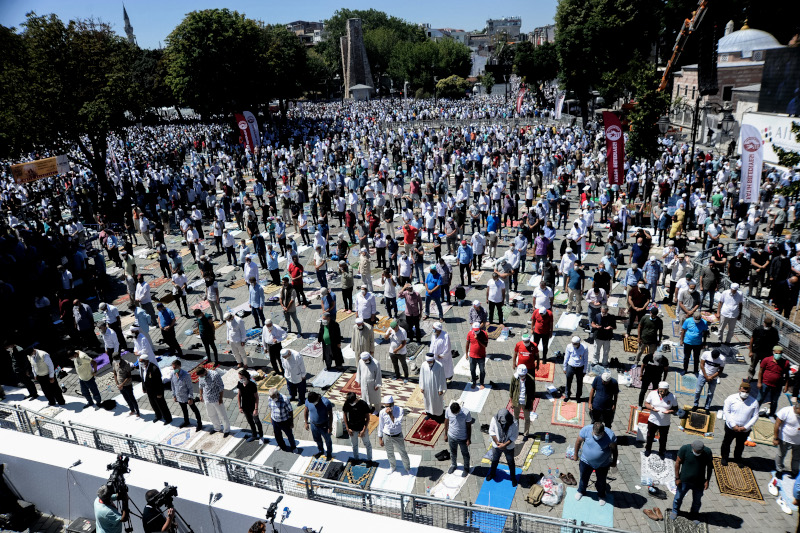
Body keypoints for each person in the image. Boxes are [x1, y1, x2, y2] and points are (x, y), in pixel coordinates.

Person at [573, 422, 618, 505]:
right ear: (592, 430)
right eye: (595, 434)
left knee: (601, 480)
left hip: (603, 464)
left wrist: (614, 461)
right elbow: (578, 441)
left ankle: (601, 495)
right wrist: (575, 454)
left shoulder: (610, 435)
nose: (597, 436)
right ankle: (581, 491)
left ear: (603, 432)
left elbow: (614, 449)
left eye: (599, 434)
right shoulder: (586, 430)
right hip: (585, 461)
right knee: (583, 477)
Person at [670, 440, 713, 523]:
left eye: (699, 452)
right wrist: (677, 478)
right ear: (692, 447)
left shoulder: (707, 452)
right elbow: (677, 462)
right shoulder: (685, 449)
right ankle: (675, 511)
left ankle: (694, 514)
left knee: (697, 500)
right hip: (684, 481)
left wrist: (707, 480)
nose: (697, 453)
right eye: (696, 451)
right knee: (678, 497)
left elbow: (710, 467)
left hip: (699, 482)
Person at [718, 380, 760, 466]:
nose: (744, 393)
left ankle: (737, 458)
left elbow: (755, 416)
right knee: (726, 443)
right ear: (739, 389)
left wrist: (745, 427)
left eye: (746, 392)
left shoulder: (754, 402)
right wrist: (733, 425)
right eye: (743, 391)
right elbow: (726, 412)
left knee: (740, 445)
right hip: (731, 427)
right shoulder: (731, 398)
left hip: (744, 429)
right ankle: (725, 457)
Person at [378, 395, 411, 474]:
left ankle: (407, 468)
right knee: (389, 452)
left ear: (393, 404)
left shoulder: (400, 410)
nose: (388, 408)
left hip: (397, 435)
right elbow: (381, 425)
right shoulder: (382, 412)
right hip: (387, 435)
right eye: (386, 406)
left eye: (389, 406)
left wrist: (390, 415)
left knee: (402, 452)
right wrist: (380, 438)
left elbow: (397, 423)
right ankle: (392, 466)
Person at [644, 381, 678, 459]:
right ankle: (648, 449)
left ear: (667, 390)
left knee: (663, 438)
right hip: (653, 420)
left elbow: (675, 409)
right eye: (661, 391)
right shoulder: (652, 393)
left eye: (664, 391)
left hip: (665, 423)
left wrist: (669, 411)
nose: (662, 393)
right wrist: (652, 408)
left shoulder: (672, 397)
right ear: (658, 388)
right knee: (650, 436)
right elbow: (646, 403)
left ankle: (661, 451)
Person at [487, 409, 519, 486]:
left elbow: (514, 436)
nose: (502, 424)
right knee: (495, 460)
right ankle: (492, 473)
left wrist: (505, 445)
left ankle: (513, 477)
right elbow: (491, 431)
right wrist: (497, 442)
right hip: (497, 444)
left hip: (508, 446)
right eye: (501, 422)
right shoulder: (494, 419)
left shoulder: (514, 422)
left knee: (510, 462)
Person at [758, 346, 791, 420]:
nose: (778, 355)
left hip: (777, 385)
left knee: (774, 401)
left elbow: (787, 375)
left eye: (779, 353)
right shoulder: (766, 360)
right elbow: (760, 371)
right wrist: (759, 382)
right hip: (765, 383)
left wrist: (786, 386)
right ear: (773, 352)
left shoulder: (785, 363)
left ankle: (771, 415)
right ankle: (754, 412)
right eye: (776, 353)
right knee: (760, 399)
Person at [196, 365, 229, 436]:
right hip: (207, 398)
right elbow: (201, 386)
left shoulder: (215, 375)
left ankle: (226, 430)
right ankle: (217, 427)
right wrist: (201, 395)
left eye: (201, 376)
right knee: (211, 414)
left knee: (222, 415)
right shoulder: (201, 377)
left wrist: (220, 398)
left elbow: (221, 387)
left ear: (205, 371)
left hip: (216, 398)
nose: (201, 377)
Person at [139, 354, 172, 424]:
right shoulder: (142, 368)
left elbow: (159, 382)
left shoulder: (154, 369)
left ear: (146, 361)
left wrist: (159, 393)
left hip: (157, 390)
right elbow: (143, 378)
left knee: (162, 405)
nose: (140, 363)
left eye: (142, 361)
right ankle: (158, 416)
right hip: (149, 390)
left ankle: (168, 418)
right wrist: (144, 387)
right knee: (153, 404)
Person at [169, 360, 201, 429]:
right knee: (184, 410)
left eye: (175, 367)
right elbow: (172, 385)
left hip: (186, 396)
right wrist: (174, 395)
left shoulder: (186, 375)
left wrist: (190, 398)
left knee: (194, 409)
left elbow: (190, 387)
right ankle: (186, 421)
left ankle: (199, 423)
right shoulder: (173, 374)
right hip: (179, 396)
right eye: (173, 368)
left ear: (179, 366)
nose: (174, 369)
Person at [343, 391, 373, 463]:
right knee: (354, 445)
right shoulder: (347, 403)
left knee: (367, 444)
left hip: (362, 427)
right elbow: (345, 415)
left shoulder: (363, 404)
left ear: (355, 399)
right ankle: (356, 458)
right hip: (352, 428)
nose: (351, 404)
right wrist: (347, 428)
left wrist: (363, 430)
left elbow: (368, 418)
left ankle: (369, 459)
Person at [444, 400, 473, 477]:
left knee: (465, 454)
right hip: (451, 436)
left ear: (459, 409)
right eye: (453, 413)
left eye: (456, 413)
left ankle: (466, 468)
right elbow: (446, 422)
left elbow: (469, 426)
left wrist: (468, 439)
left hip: (462, 438)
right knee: (452, 452)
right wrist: (445, 434)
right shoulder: (448, 410)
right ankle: (453, 465)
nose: (455, 414)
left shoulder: (466, 413)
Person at [267, 388, 300, 453]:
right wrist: (271, 419)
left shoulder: (285, 400)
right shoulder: (270, 398)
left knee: (289, 435)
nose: (273, 399)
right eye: (271, 397)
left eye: (274, 397)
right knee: (277, 435)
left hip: (285, 421)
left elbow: (290, 411)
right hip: (275, 420)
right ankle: (281, 445)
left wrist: (291, 422)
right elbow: (271, 409)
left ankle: (293, 447)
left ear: (277, 394)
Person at [774, 400, 800, 479]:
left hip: (798, 442)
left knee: (796, 457)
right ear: (796, 408)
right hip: (785, 439)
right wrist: (776, 437)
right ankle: (779, 470)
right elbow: (777, 424)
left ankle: (794, 471)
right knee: (781, 455)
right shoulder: (786, 411)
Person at [237, 369, 264, 443]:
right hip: (245, 406)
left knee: (257, 421)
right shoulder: (240, 384)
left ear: (246, 377)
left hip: (252, 406)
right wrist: (240, 406)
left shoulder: (252, 385)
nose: (240, 379)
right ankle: (254, 434)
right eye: (239, 378)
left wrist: (256, 409)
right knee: (250, 421)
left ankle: (261, 435)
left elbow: (256, 397)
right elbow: (239, 395)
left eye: (242, 378)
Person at [305, 391, 334, 460]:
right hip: (313, 425)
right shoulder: (308, 401)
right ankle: (321, 451)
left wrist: (330, 426)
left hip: (324, 425)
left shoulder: (326, 402)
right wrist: (306, 423)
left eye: (314, 402)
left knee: (328, 440)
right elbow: (306, 411)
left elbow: (330, 415)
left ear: (317, 398)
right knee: (317, 439)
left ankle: (329, 453)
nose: (313, 404)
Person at [509, 365, 536, 437]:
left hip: (526, 402)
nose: (521, 376)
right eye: (520, 375)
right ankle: (516, 432)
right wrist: (511, 402)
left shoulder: (531, 379)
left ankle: (526, 433)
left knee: (527, 419)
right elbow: (511, 390)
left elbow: (533, 393)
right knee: (516, 418)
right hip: (516, 401)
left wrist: (531, 404)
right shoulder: (514, 378)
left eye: (522, 375)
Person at [420, 355, 447, 421]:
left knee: (436, 401)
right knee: (428, 400)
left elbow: (442, 378)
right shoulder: (424, 365)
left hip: (436, 387)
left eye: (430, 361)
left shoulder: (439, 365)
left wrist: (440, 389)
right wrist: (422, 387)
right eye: (428, 362)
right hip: (427, 387)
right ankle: (429, 413)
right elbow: (422, 376)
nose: (429, 363)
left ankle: (438, 415)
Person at [112, 353, 139, 417]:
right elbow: (115, 374)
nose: (116, 361)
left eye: (117, 359)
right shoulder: (114, 363)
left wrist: (122, 384)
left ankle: (137, 411)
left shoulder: (126, 364)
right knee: (126, 398)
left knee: (132, 399)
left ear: (120, 357)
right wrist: (117, 384)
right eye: (115, 359)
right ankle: (132, 410)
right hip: (120, 386)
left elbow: (129, 376)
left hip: (127, 385)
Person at [563, 336, 589, 402]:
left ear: (578, 343)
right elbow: (566, 357)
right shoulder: (569, 346)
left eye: (575, 344)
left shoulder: (584, 348)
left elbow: (586, 360)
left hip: (580, 367)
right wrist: (564, 367)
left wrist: (584, 370)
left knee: (579, 382)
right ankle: (567, 395)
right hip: (571, 366)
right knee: (568, 381)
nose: (573, 345)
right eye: (572, 343)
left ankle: (578, 396)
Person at [465, 322, 489, 389]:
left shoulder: (484, 334)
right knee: (472, 370)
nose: (476, 332)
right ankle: (474, 382)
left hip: (481, 356)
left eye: (477, 330)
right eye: (474, 330)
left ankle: (482, 383)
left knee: (482, 370)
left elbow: (485, 345)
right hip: (472, 355)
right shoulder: (470, 333)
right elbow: (467, 344)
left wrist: (478, 339)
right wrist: (467, 354)